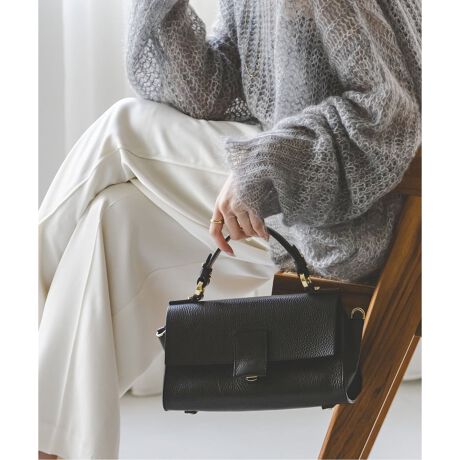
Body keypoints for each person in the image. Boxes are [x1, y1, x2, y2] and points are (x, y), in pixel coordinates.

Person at [39, 0, 421, 458]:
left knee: (123, 128)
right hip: (297, 189)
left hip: (351, 213)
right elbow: (212, 94)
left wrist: (266, 166)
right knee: (116, 218)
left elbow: (389, 116)